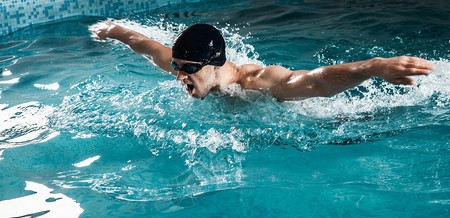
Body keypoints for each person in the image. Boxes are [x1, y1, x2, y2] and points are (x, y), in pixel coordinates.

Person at [90, 22, 434, 100]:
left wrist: (373, 66)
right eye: (178, 66)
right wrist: (109, 29)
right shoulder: (184, 65)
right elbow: (143, 43)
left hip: (321, 126)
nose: (179, 75)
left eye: (189, 69)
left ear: (215, 63)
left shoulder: (255, 83)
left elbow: (316, 81)